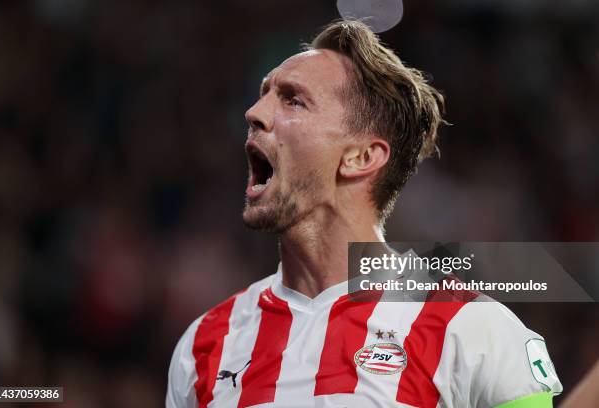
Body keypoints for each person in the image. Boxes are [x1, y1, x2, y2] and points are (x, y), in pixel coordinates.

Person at [166, 20, 562, 407]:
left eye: (292, 100)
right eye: (264, 93)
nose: (254, 112)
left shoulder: (474, 331)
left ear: (360, 157)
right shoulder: (203, 345)